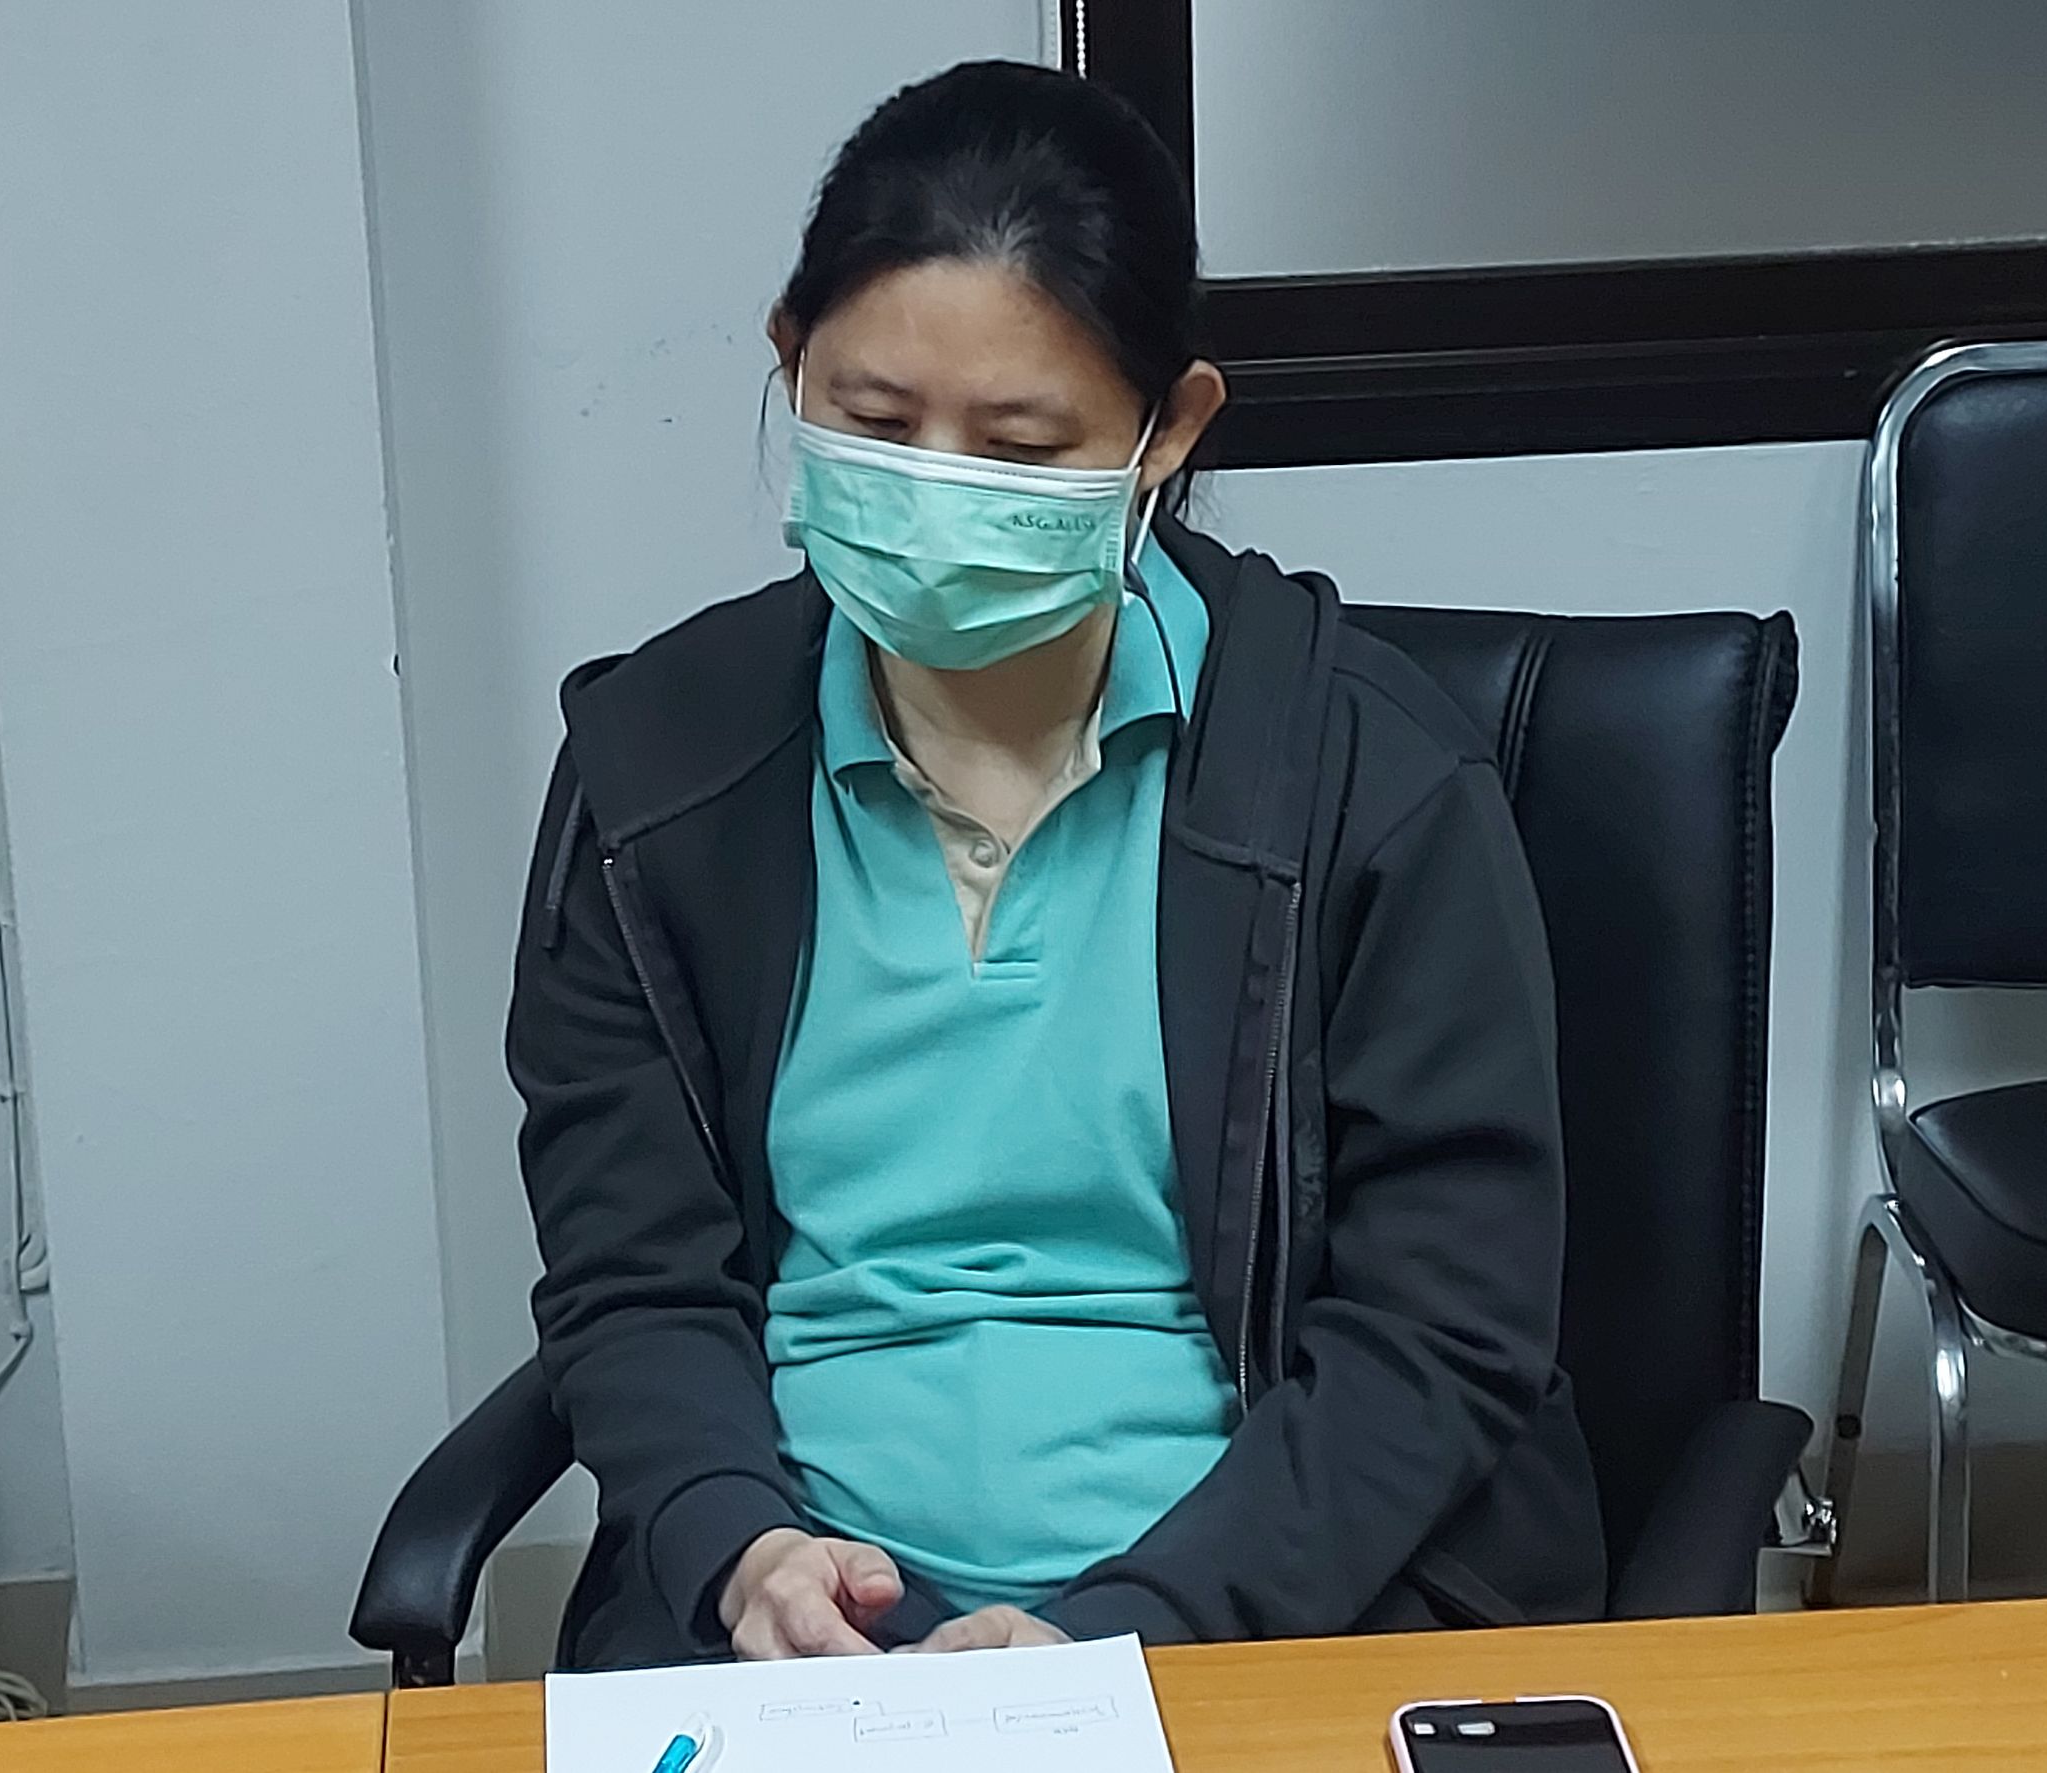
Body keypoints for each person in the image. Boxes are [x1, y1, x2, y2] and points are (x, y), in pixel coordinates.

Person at [512, 59, 1605, 1668]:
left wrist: (1127, 1628)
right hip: (804, 1636)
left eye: (1019, 448)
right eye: (876, 423)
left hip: (1262, 1614)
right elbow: (634, 1275)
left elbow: (1438, 1330)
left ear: (1171, 429)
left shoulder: (1366, 783)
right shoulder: (655, 776)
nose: (938, 493)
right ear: (789, 358)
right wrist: (743, 1549)